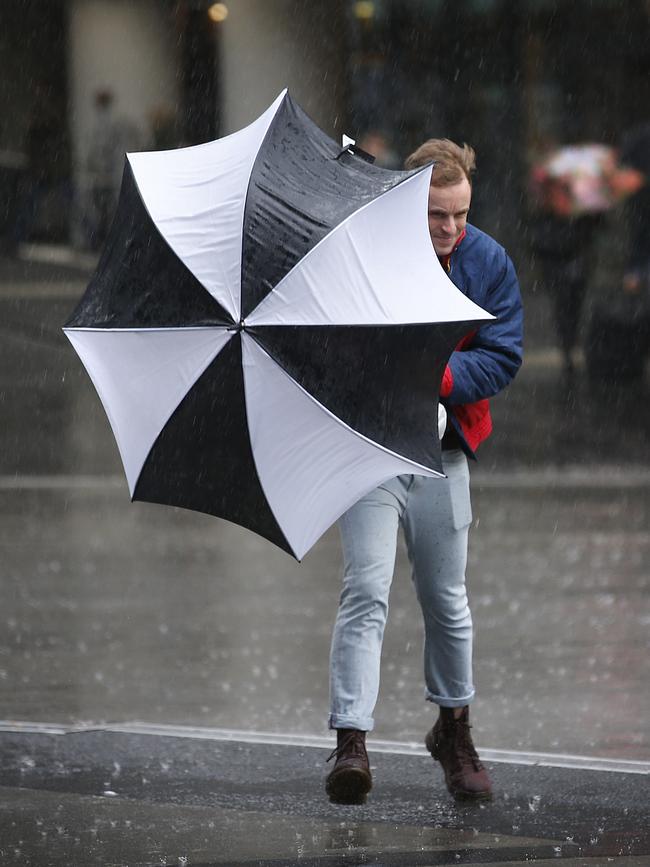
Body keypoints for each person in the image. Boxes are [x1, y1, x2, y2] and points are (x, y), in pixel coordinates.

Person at [325, 139, 524, 805]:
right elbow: (334, 345)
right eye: (437, 214)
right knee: (367, 590)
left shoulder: (487, 261)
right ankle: (351, 738)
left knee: (448, 602)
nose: (450, 229)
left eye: (461, 214)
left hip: (445, 450)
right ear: (409, 203)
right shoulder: (367, 254)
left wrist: (437, 379)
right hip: (374, 448)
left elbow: (503, 353)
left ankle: (454, 728)